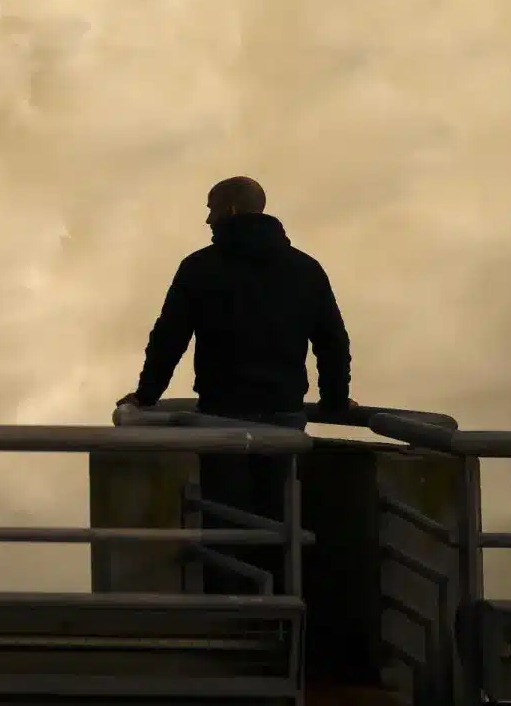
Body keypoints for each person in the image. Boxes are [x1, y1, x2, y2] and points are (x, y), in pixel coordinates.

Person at [116, 176, 355, 595]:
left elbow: (169, 338)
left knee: (226, 520)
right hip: (284, 418)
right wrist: (334, 401)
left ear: (229, 210)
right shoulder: (305, 268)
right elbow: (333, 342)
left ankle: (234, 614)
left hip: (222, 417)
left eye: (210, 208)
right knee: (279, 518)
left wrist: (146, 395)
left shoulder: (200, 267)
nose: (206, 219)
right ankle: (282, 614)